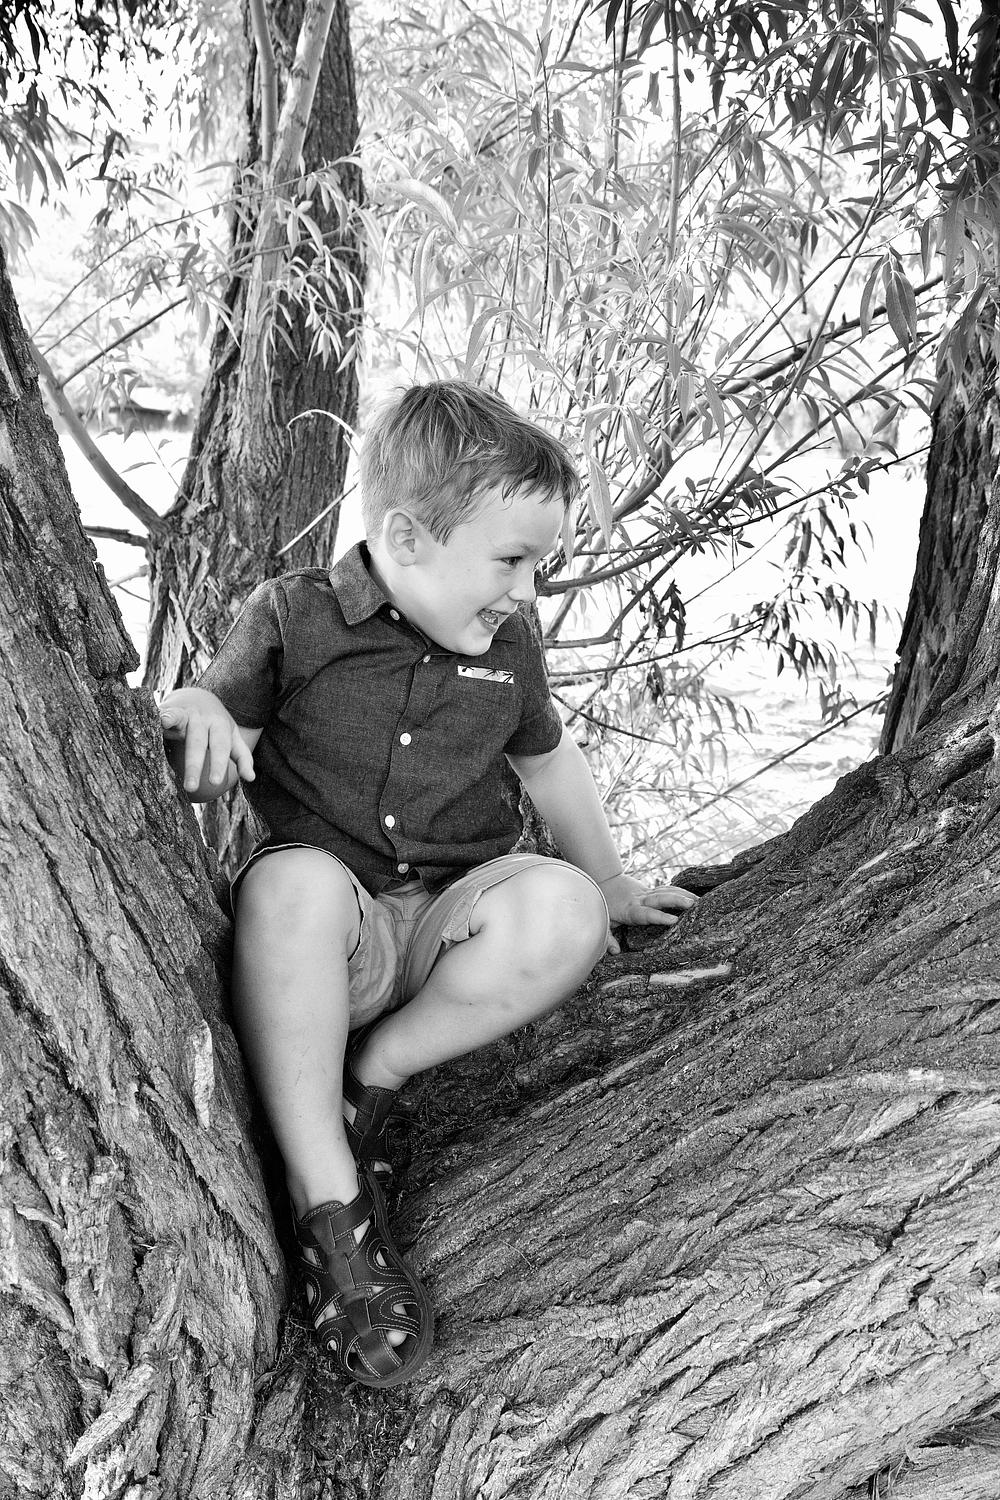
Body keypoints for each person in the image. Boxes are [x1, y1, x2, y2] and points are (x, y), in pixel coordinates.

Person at [159, 380, 696, 1389]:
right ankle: (330, 1205)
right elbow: (215, 720)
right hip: (336, 933)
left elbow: (548, 762)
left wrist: (613, 881)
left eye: (538, 566)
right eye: (511, 561)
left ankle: (379, 1074)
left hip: (457, 919)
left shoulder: (510, 649)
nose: (526, 593)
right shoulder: (296, 617)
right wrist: (196, 711)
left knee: (568, 909)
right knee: (289, 886)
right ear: (407, 538)